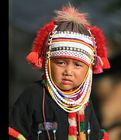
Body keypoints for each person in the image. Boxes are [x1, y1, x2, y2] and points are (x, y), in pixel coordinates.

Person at [9, 4, 110, 140]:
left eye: (77, 65)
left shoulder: (84, 101)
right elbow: (15, 133)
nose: (68, 71)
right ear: (48, 63)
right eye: (60, 63)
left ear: (89, 70)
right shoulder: (33, 95)